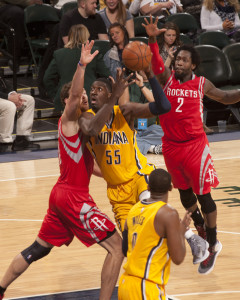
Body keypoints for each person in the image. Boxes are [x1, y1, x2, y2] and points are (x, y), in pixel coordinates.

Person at [0, 40, 131, 300]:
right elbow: (80, 104)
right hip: (73, 197)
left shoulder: (81, 124)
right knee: (117, 247)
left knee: (39, 248)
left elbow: (88, 165)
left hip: (61, 194)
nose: (84, 96)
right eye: (79, 95)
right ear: (67, 101)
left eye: (85, 95)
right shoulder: (71, 117)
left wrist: (114, 176)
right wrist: (82, 65)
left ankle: (0, 288)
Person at [87, 60, 209, 265]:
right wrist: (107, 173)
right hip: (117, 192)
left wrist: (149, 78)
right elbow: (91, 137)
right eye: (91, 89)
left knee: (153, 211)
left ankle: (192, 239)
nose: (93, 92)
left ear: (109, 94)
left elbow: (162, 106)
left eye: (99, 89)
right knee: (129, 245)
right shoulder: (87, 120)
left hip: (139, 176)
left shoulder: (124, 113)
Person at [143, 15, 240, 274]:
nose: (179, 62)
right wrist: (152, 39)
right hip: (172, 145)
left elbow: (227, 97)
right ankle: (201, 231)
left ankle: (212, 241)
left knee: (204, 195)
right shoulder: (167, 79)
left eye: (184, 59)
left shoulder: (200, 84)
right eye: (177, 59)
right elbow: (155, 64)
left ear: (193, 64)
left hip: (195, 145)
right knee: (185, 194)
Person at [118, 168, 192, 300]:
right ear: (171, 188)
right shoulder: (168, 214)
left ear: (148, 187)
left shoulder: (134, 210)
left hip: (125, 285)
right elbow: (178, 258)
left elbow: (125, 250)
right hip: (146, 288)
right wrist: (182, 231)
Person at [43, 24, 111, 112]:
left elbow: (47, 78)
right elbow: (106, 74)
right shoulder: (93, 51)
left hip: (67, 98)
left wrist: (56, 94)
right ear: (86, 36)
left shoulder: (59, 54)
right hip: (90, 98)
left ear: (70, 36)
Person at [0, 0, 44, 71]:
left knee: (55, 13)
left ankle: (53, 57)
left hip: (32, 5)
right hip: (7, 5)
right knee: (16, 13)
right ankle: (14, 57)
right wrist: (28, 2)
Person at [130, 70, 164, 155]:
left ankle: (141, 145)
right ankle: (151, 148)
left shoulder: (156, 84)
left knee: (166, 135)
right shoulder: (129, 84)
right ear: (137, 68)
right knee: (125, 138)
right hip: (133, 129)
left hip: (151, 128)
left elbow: (155, 101)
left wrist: (142, 86)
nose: (145, 70)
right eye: (143, 67)